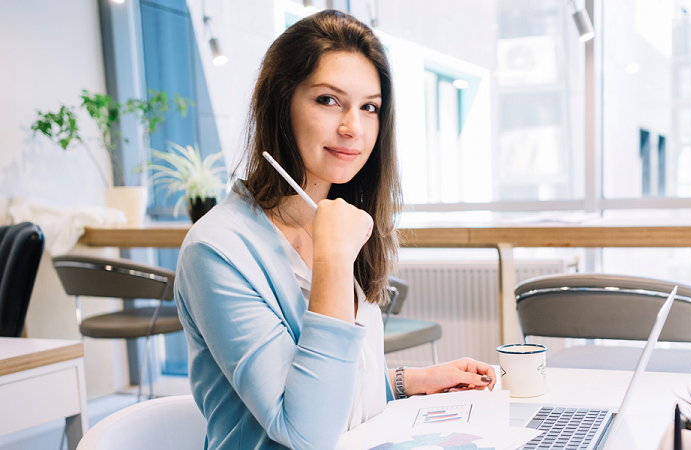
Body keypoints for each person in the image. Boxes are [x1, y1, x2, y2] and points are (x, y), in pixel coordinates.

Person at [174, 10, 496, 450]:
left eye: (369, 107)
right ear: (280, 102)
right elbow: (306, 430)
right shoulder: (216, 250)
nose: (353, 127)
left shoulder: (332, 217)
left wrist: (410, 380)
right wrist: (332, 260)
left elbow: (325, 380)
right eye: (328, 100)